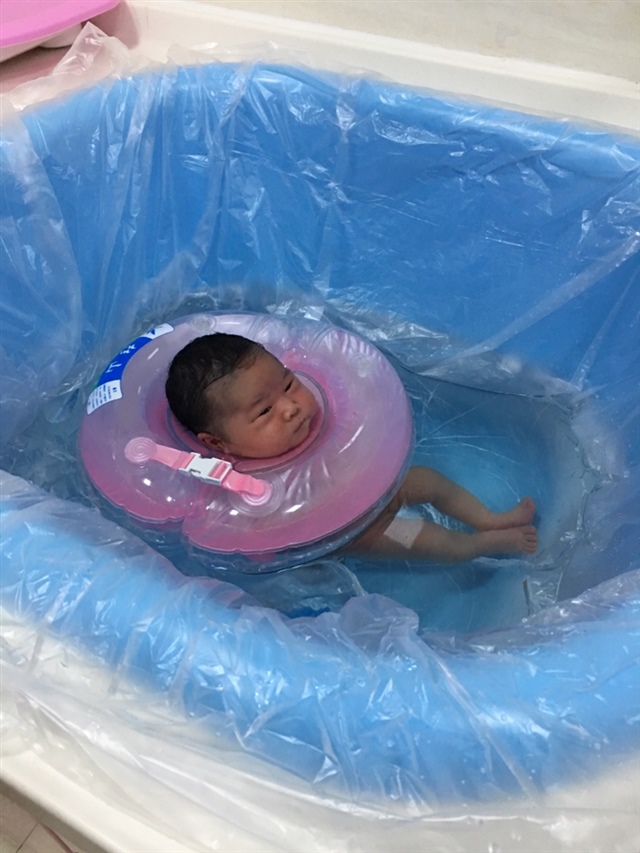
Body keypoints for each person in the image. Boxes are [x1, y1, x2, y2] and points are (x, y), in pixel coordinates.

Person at [166, 333, 538, 563]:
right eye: (264, 411)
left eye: (289, 384)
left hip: (379, 488)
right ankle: (479, 546)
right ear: (217, 443)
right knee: (422, 538)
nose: (290, 406)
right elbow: (258, 540)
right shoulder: (235, 491)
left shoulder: (323, 414)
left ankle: (487, 518)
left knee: (428, 481)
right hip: (365, 531)